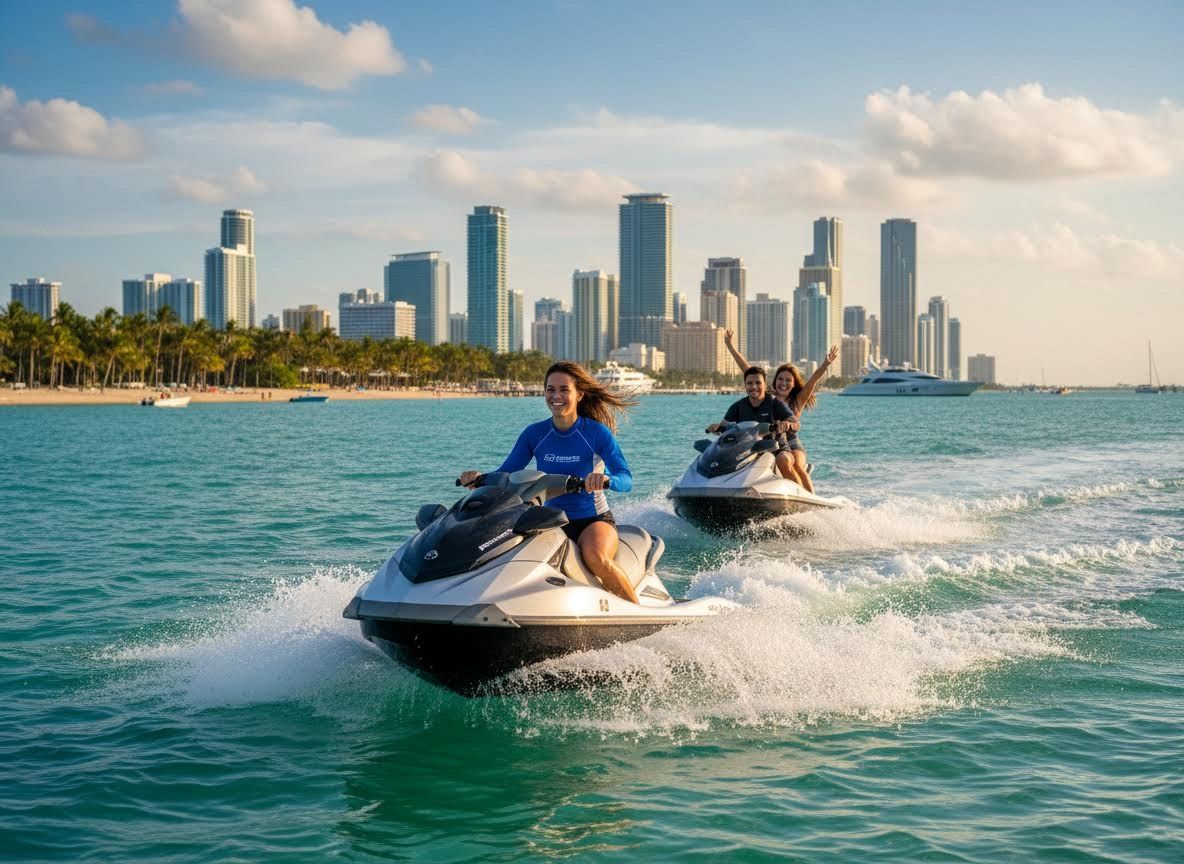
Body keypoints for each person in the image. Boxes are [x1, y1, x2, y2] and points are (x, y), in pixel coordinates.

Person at [458, 361, 640, 604]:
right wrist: (478, 480)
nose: (556, 396)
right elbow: (506, 474)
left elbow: (625, 478)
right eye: (550, 390)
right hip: (546, 520)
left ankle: (637, 613)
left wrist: (607, 480)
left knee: (596, 557)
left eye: (564, 389)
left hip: (591, 520)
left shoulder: (596, 433)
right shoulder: (535, 433)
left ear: (579, 395)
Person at [723, 330, 838, 493]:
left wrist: (825, 364)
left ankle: (809, 497)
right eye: (780, 379)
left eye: (788, 380)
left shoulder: (797, 399)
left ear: (793, 384)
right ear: (775, 380)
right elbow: (747, 369)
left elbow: (813, 380)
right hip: (769, 438)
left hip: (790, 441)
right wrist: (730, 347)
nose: (783, 383)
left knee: (797, 464)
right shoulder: (768, 394)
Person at [707, 366, 797, 482]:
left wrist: (788, 424)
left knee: (783, 459)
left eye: (758, 383)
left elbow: (796, 423)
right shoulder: (738, 406)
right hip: (746, 451)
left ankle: (804, 496)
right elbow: (723, 428)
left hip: (777, 449)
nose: (754, 387)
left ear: (765, 385)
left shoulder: (775, 403)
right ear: (745, 385)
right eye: (749, 383)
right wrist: (716, 428)